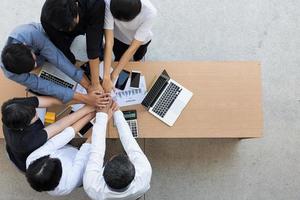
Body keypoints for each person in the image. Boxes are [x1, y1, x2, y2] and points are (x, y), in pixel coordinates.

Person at [1, 23, 108, 107]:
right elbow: (42, 86)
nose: (36, 64)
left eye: (34, 61)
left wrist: (88, 85)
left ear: (25, 46)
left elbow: (57, 58)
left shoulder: (28, 33)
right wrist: (84, 98)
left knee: (67, 57)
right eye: (32, 67)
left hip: (46, 40)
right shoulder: (11, 74)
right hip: (40, 58)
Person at [1, 96, 94, 172]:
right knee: (61, 146)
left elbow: (49, 101)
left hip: (18, 146)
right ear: (23, 127)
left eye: (35, 112)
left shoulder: (11, 106)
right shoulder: (27, 141)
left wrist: (84, 98)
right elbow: (59, 126)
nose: (37, 114)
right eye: (34, 117)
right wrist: (87, 109)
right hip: (29, 159)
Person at [83, 101, 152, 200]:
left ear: (103, 171)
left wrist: (102, 115)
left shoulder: (91, 185)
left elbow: (97, 151)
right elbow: (130, 142)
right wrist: (117, 112)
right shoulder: (144, 173)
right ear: (134, 174)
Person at [26, 107, 95, 196]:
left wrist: (90, 114)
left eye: (48, 157)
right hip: (83, 166)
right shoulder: (68, 184)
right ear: (59, 174)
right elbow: (85, 151)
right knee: (93, 154)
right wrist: (101, 120)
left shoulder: (32, 159)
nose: (51, 156)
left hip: (68, 150)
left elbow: (65, 135)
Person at [41, 0, 105, 93]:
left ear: (76, 5)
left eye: (72, 25)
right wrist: (73, 64)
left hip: (89, 14)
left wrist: (95, 84)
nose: (70, 29)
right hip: (61, 33)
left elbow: (93, 45)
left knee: (97, 48)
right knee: (64, 53)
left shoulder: (95, 3)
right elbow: (60, 44)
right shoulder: (47, 17)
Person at [102, 0, 157, 92]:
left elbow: (133, 47)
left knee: (137, 59)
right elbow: (109, 42)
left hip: (141, 42)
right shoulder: (109, 2)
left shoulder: (150, 12)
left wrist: (114, 74)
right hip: (118, 37)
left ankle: (137, 60)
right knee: (119, 58)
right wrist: (106, 76)